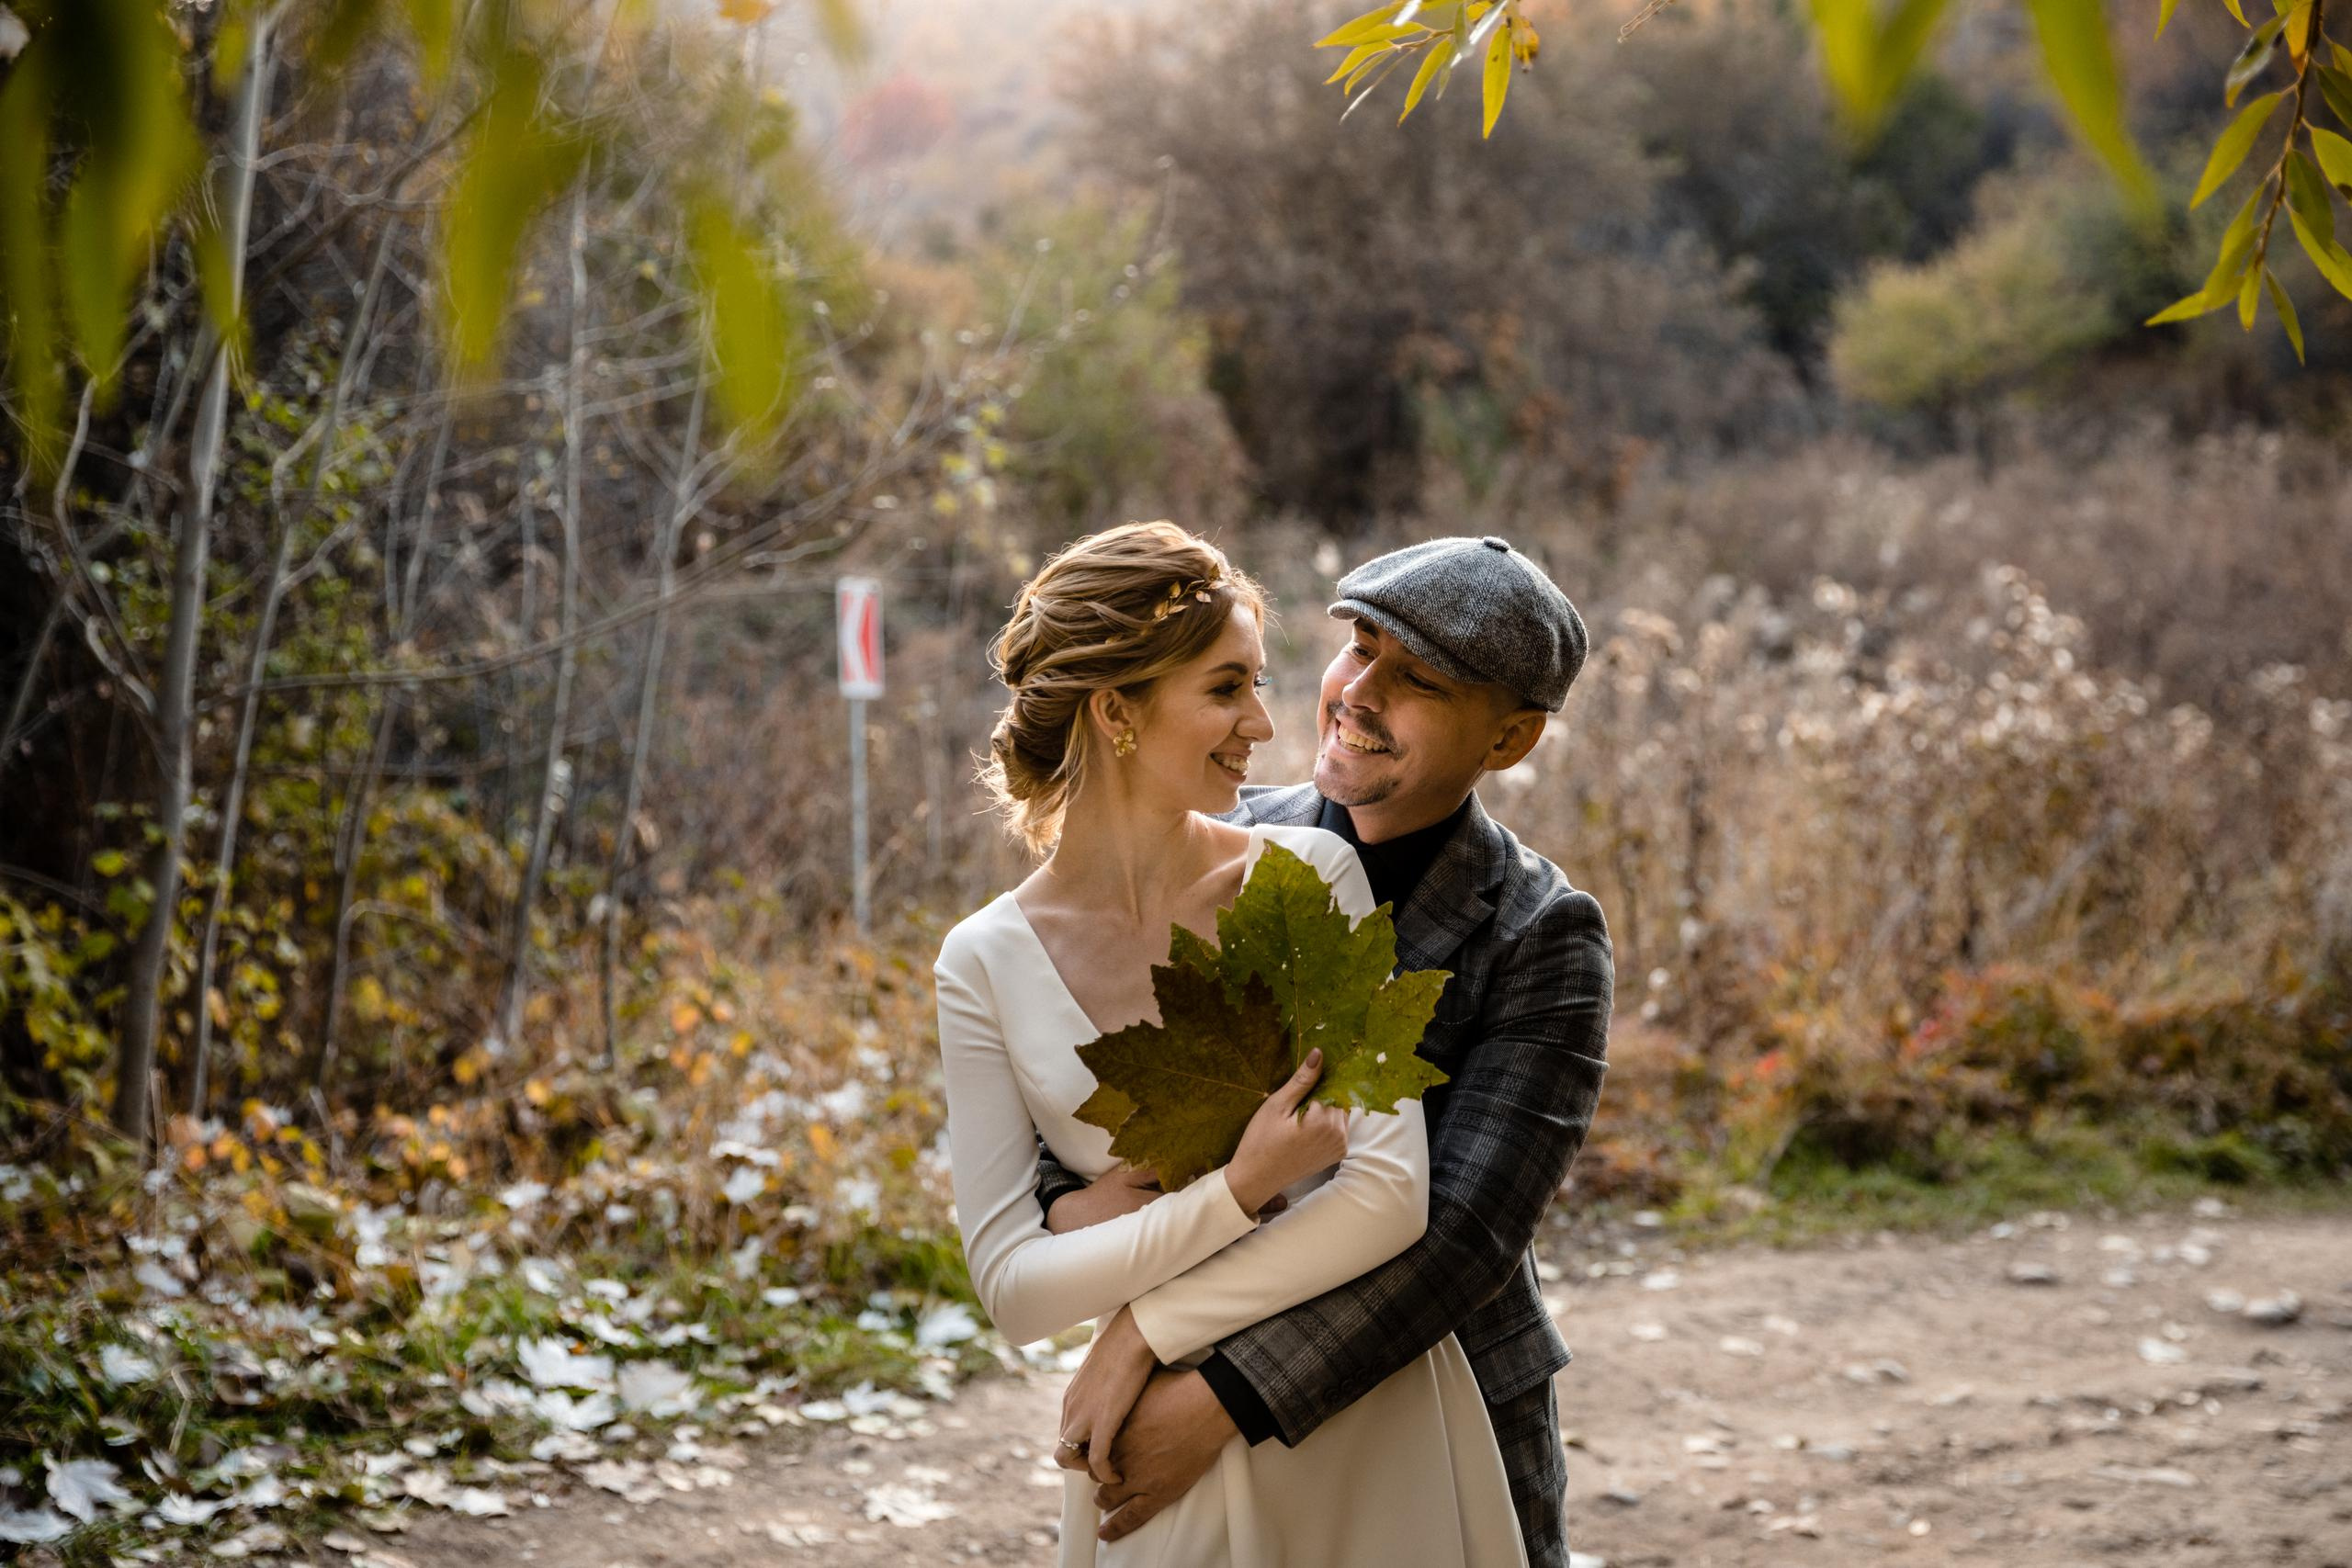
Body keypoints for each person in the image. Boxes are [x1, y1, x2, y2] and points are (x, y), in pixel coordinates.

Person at [933, 521, 1529, 1567]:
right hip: (1147, 1469)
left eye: (1257, 683)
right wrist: (1238, 1192)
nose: (1263, 721)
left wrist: (1136, 1320)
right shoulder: (981, 961)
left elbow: (1388, 1200)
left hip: (1360, 1426)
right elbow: (1015, 1290)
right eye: (1224, 688)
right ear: (1116, 709)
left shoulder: (1304, 878)